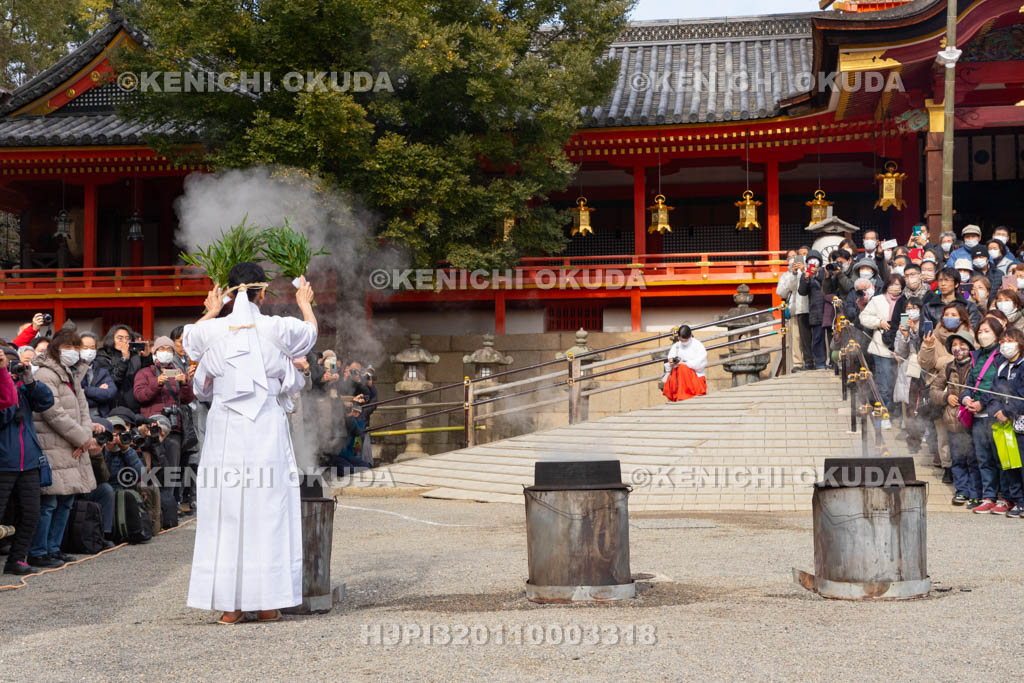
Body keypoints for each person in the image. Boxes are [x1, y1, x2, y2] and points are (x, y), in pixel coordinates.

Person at [183, 263, 318, 624]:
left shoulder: (212, 332)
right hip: (265, 426)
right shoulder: (277, 327)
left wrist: (211, 311)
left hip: (226, 426)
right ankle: (269, 601)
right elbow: (308, 337)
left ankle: (231, 605)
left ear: (229, 293)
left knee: (227, 509)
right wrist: (305, 302)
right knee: (268, 506)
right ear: (261, 293)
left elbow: (189, 347)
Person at [28, 328, 99, 568]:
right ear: (56, 349)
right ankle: (39, 550)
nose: (74, 352)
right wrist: (81, 438)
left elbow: (83, 408)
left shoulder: (70, 374)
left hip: (73, 444)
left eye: (75, 348)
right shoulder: (46, 375)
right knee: (49, 502)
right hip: (52, 444)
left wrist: (86, 436)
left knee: (67, 500)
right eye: (68, 347)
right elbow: (52, 413)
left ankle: (54, 548)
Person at [0, 343, 54, 575]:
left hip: (29, 459)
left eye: (15, 364)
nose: (12, 369)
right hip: (4, 461)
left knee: (31, 513)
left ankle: (17, 559)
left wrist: (29, 380)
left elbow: (46, 402)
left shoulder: (22, 386)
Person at [134, 336, 196, 508]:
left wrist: (184, 384)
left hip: (174, 426)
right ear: (154, 353)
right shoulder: (145, 373)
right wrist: (157, 383)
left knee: (172, 467)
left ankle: (169, 505)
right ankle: (150, 506)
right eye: (162, 350)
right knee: (152, 465)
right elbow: (140, 396)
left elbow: (187, 399)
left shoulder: (177, 371)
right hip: (153, 427)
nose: (166, 353)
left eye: (169, 350)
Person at [919, 302, 972, 477]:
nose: (949, 318)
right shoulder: (933, 335)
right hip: (940, 389)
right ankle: (947, 466)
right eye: (946, 314)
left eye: (954, 314)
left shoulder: (970, 335)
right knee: (942, 431)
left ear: (962, 317)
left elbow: (969, 359)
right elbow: (925, 364)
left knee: (962, 433)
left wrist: (941, 361)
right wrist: (928, 346)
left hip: (962, 390)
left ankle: (964, 469)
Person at [959, 317, 1005, 513]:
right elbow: (969, 382)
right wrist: (965, 398)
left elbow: (998, 386)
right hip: (977, 416)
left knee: (1000, 458)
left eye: (987, 331)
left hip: (994, 414)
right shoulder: (976, 356)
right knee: (983, 458)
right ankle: (989, 496)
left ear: (997, 334)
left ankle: (1005, 497)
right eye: (980, 331)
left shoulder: (1001, 356)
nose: (982, 335)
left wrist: (982, 402)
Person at [930, 330, 980, 505]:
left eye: (962, 344)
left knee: (974, 459)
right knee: (957, 457)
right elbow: (934, 389)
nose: (958, 348)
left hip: (974, 417)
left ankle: (975, 492)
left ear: (971, 346)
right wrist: (945, 397)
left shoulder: (977, 365)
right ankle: (961, 490)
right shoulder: (948, 367)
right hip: (953, 418)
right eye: (954, 345)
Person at [860, 274, 905, 429]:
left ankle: (898, 415)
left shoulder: (905, 301)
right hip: (881, 347)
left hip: (901, 348)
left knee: (897, 384)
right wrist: (879, 322)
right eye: (892, 284)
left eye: (899, 284)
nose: (895, 287)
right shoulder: (877, 300)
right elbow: (864, 317)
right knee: (883, 383)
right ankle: (883, 413)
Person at [987, 326, 1024, 516]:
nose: (1005, 345)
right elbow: (992, 393)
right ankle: (1016, 500)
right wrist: (997, 411)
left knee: (1022, 462)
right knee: (1009, 463)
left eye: (1010, 341)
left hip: (1020, 422)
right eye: (1002, 341)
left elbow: (1021, 396)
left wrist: (1007, 411)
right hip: (1003, 422)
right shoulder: (1001, 365)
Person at [893, 298, 926, 452]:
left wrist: (915, 331)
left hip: (925, 369)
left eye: (914, 307)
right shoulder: (901, 329)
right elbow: (899, 353)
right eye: (908, 308)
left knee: (924, 403)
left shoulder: (926, 326)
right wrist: (905, 336)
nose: (911, 310)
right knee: (910, 404)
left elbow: (926, 348)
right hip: (909, 370)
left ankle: (925, 433)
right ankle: (913, 440)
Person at [776, 253, 808, 371]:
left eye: (796, 256)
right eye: (790, 257)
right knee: (796, 337)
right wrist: (793, 276)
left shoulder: (808, 271)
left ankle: (810, 361)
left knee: (809, 336)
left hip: (808, 308)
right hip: (795, 308)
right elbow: (781, 292)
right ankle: (797, 363)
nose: (793, 259)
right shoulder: (786, 275)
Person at [662, 325, 708, 402]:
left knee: (682, 368)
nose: (683, 342)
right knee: (680, 369)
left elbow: (701, 363)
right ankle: (679, 395)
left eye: (685, 340)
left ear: (690, 336)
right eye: (681, 340)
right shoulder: (676, 346)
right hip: (678, 375)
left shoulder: (698, 345)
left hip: (693, 374)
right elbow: (671, 357)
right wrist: (671, 361)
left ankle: (683, 395)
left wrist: (685, 364)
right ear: (679, 337)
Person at [78, 331, 117, 419]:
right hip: (79, 417)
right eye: (85, 347)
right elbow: (76, 397)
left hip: (101, 416)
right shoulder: (73, 370)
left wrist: (85, 391)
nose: (89, 351)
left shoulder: (102, 370)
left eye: (92, 348)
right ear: (78, 349)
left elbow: (111, 393)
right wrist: (98, 394)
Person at [798, 250, 827, 370]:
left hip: (828, 307)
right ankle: (819, 362)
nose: (812, 261)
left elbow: (824, 280)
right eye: (810, 259)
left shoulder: (824, 271)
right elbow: (802, 291)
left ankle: (832, 361)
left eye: (815, 259)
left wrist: (817, 274)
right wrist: (806, 278)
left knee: (831, 336)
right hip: (815, 309)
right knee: (817, 337)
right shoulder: (806, 274)